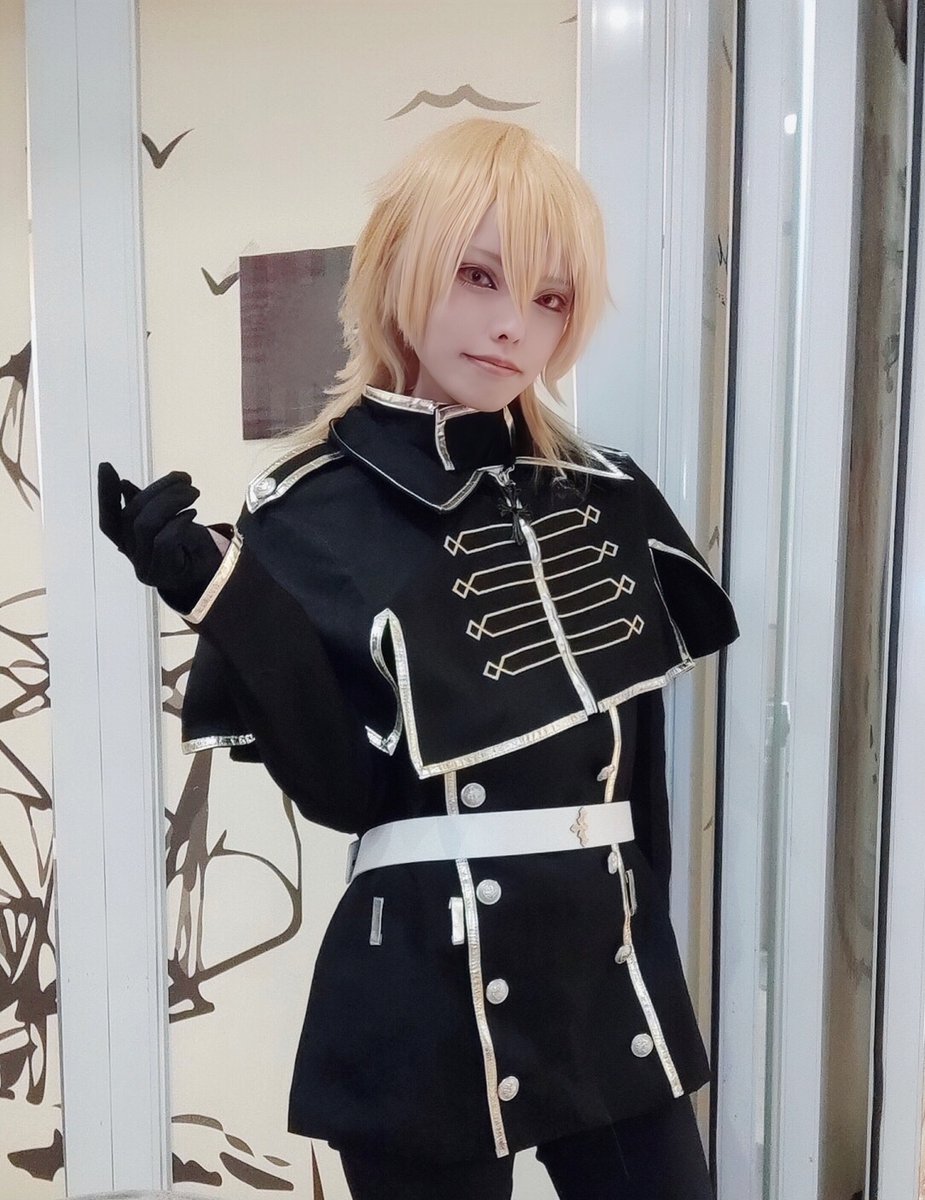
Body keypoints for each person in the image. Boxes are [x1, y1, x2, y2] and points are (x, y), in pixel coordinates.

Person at [97, 118, 738, 1200]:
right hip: (420, 993)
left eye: (550, 298)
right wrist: (224, 600)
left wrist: (650, 958)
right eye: (478, 276)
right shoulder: (305, 512)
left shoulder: (608, 495)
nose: (512, 326)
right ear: (401, 266)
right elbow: (346, 795)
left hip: (604, 975)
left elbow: (640, 788)